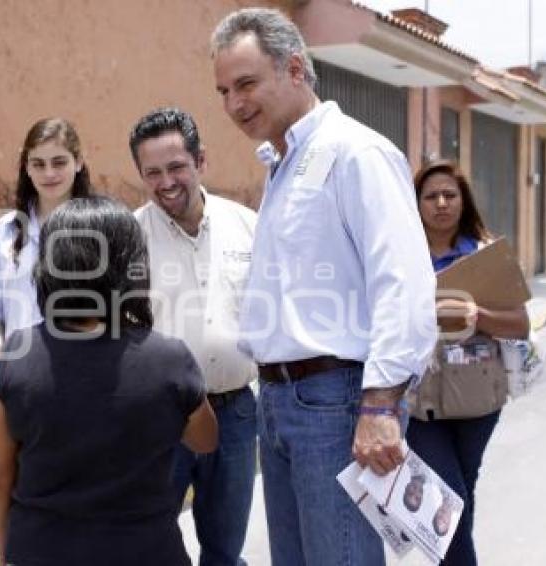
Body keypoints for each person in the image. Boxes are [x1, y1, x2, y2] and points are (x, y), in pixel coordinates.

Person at [210, 8, 437, 565]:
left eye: (246, 84)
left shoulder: (355, 152)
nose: (234, 104)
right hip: (279, 401)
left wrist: (381, 404)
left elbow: (403, 283)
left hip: (334, 405)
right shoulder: (284, 163)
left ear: (294, 69)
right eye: (222, 91)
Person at [0, 196, 219, 566]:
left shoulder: (14, 357)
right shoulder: (170, 360)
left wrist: (3, 548)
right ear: (130, 267)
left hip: (41, 551)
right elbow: (205, 441)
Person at [129, 107, 258, 566]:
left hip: (237, 412)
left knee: (225, 548)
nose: (166, 182)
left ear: (201, 161)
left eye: (177, 167)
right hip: (159, 417)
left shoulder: (247, 225)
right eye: (153, 172)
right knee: (152, 542)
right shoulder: (128, 237)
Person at [407, 159, 529, 565]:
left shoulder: (485, 254)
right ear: (416, 203)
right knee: (447, 495)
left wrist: (478, 316)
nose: (441, 203)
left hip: (478, 401)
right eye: (431, 196)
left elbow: (520, 326)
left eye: (450, 194)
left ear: (463, 200)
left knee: (461, 491)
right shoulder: (401, 257)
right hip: (420, 402)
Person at [0, 117, 93, 353]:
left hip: (83, 374)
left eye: (59, 163)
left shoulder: (101, 226)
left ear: (78, 162)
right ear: (27, 167)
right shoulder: (6, 229)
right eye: (38, 164)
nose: (49, 174)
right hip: (20, 377)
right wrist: (1, 359)